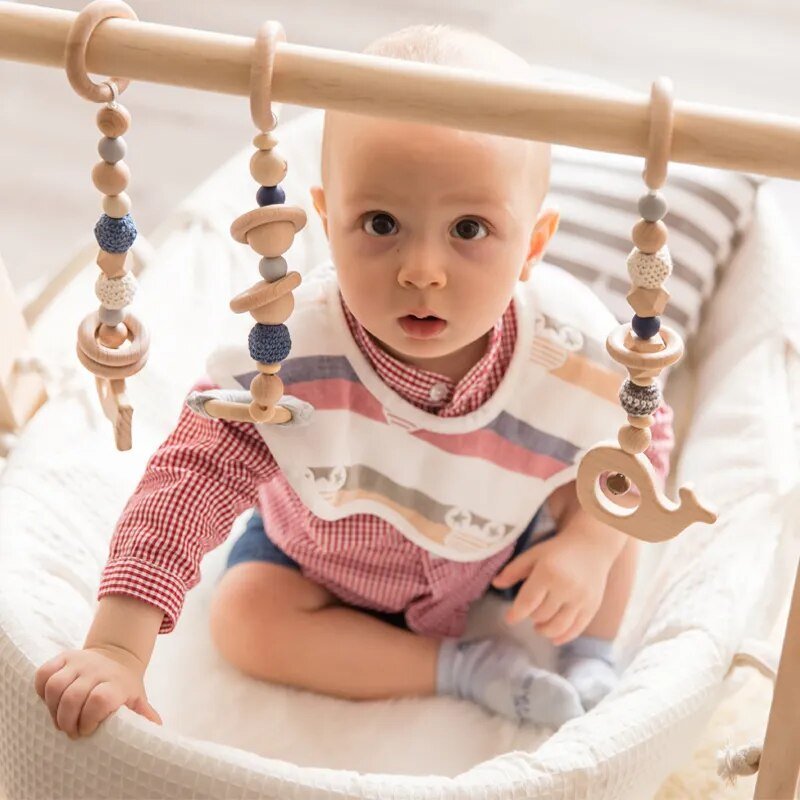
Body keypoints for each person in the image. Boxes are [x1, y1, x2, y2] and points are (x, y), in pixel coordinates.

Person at [34, 23, 673, 739]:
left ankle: (591, 653)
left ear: (533, 245)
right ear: (328, 222)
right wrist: (118, 648)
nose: (422, 269)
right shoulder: (289, 351)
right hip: (319, 555)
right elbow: (189, 480)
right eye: (380, 222)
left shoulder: (571, 345)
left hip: (500, 539)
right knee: (245, 619)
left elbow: (639, 443)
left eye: (468, 230)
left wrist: (585, 547)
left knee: (615, 515)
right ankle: (460, 667)